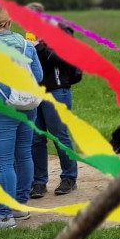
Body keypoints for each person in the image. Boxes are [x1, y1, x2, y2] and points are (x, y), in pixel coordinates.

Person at [0, 4, 43, 229]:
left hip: (1, 109)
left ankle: (4, 216)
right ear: (10, 22)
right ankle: (19, 206)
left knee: (2, 163)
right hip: (27, 105)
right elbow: (38, 75)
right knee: (23, 155)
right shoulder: (24, 43)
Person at [30, 16, 82, 198]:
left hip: (57, 92)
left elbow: (60, 57)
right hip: (35, 94)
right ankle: (38, 182)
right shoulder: (31, 37)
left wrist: (38, 46)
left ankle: (69, 178)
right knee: (36, 139)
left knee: (60, 136)